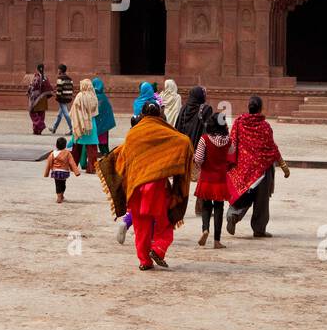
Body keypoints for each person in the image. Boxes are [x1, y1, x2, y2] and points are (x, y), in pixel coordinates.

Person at [96, 102, 193, 271]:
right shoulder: (167, 133)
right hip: (157, 189)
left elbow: (123, 156)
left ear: (142, 115)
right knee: (165, 224)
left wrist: (109, 160)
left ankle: (144, 261)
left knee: (141, 229)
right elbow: (183, 141)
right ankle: (158, 249)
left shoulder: (134, 134)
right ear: (158, 115)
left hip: (136, 189)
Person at [225, 95, 290, 238]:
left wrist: (229, 164)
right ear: (260, 109)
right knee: (261, 200)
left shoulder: (239, 123)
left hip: (243, 167)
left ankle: (233, 214)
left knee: (244, 194)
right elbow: (272, 148)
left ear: (249, 108)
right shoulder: (265, 126)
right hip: (262, 169)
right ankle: (259, 229)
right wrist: (283, 166)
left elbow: (232, 144)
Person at [193, 113, 233, 248]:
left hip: (206, 178)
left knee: (206, 206)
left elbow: (198, 159)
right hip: (220, 179)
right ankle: (217, 240)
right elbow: (232, 152)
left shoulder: (204, 139)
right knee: (219, 208)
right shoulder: (228, 140)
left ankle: (205, 229)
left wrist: (199, 164)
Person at [70, 78, 101, 173]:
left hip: (80, 124)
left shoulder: (80, 96)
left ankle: (72, 166)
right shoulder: (94, 96)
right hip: (91, 125)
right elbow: (95, 111)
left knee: (76, 147)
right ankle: (92, 168)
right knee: (92, 148)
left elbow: (74, 110)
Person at [43, 136, 81, 204]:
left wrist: (46, 173)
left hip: (56, 172)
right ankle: (62, 195)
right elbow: (72, 163)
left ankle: (59, 197)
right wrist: (76, 172)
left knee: (57, 184)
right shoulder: (67, 153)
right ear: (65, 145)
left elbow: (49, 163)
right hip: (64, 172)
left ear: (56, 145)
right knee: (63, 184)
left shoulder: (53, 153)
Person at [175, 85, 210, 150]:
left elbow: (178, 126)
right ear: (200, 95)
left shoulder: (184, 108)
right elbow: (208, 129)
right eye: (204, 93)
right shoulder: (206, 109)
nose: (205, 96)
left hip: (184, 146)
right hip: (198, 147)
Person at [27, 64, 53, 135]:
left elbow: (33, 86)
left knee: (32, 112)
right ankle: (37, 130)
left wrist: (28, 92)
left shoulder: (36, 77)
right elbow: (49, 87)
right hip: (43, 98)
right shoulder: (45, 77)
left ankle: (40, 125)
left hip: (36, 97)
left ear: (37, 69)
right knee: (41, 114)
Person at [50, 65, 75, 135]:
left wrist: (56, 97)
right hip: (68, 97)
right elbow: (71, 88)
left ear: (60, 70)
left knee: (66, 114)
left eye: (58, 69)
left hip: (62, 98)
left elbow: (59, 90)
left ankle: (72, 129)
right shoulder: (70, 79)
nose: (58, 71)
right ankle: (54, 128)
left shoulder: (60, 78)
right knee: (59, 114)